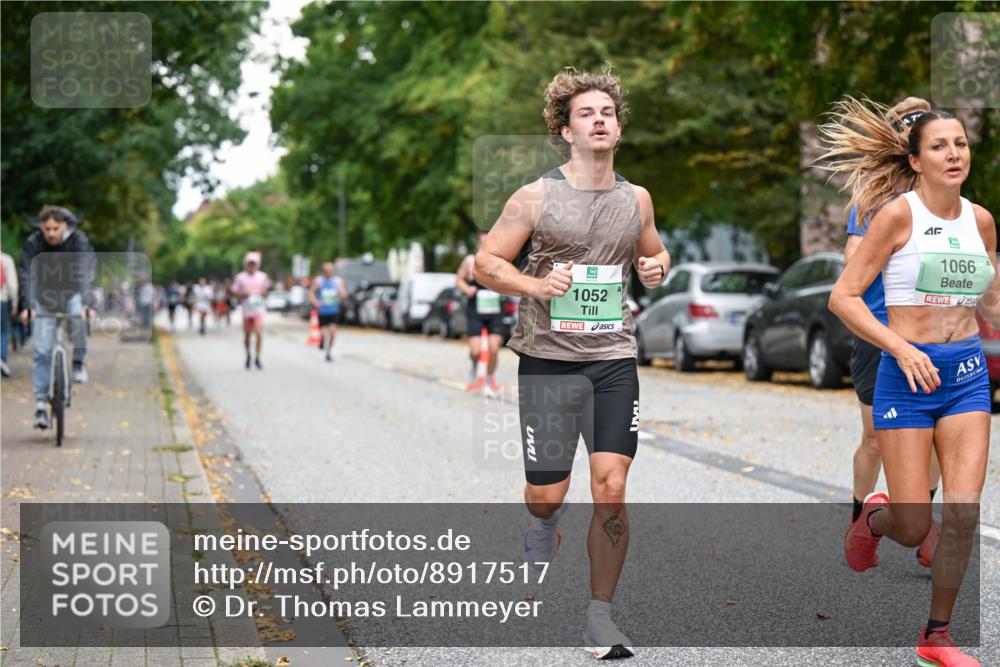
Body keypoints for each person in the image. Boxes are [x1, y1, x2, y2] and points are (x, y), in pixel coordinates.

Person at [474, 69, 669, 660]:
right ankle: (541, 521)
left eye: (608, 111)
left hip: (612, 358)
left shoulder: (636, 199)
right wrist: (536, 284)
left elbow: (653, 251)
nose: (601, 119)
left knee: (611, 486)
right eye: (587, 113)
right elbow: (486, 262)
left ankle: (600, 617)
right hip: (549, 361)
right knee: (546, 493)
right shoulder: (535, 197)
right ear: (565, 129)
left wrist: (657, 267)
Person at [826, 99, 998, 666]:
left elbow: (989, 302)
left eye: (961, 144)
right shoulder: (896, 215)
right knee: (911, 524)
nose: (954, 154)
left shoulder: (980, 221)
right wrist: (898, 346)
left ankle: (937, 636)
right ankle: (875, 520)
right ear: (915, 159)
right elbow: (843, 297)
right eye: (939, 146)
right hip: (907, 375)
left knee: (963, 514)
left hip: (967, 376)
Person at [841, 97, 942, 570]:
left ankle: (921, 521)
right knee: (877, 438)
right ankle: (861, 516)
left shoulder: (948, 199)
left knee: (939, 434)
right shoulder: (872, 202)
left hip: (933, 334)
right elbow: (851, 270)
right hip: (878, 333)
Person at [18, 205, 96, 428]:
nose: (51, 233)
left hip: (72, 293)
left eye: (56, 228)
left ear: (66, 226)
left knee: (79, 317)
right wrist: (28, 306)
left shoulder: (78, 241)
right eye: (47, 228)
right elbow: (27, 275)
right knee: (42, 351)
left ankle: (79, 362)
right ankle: (41, 404)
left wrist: (87, 303)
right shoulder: (34, 243)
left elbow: (86, 271)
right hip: (44, 298)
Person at [457, 232, 505, 391]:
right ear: (478, 244)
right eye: (482, 243)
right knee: (475, 351)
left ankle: (489, 379)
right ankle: (474, 364)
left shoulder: (500, 261)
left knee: (494, 348)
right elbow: (458, 280)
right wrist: (466, 288)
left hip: (494, 310)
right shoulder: (470, 261)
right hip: (475, 310)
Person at [232, 251, 270, 370]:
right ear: (246, 264)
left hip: (258, 308)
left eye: (254, 264)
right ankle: (248, 354)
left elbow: (266, 291)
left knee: (259, 332)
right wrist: (244, 293)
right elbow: (235, 292)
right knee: (248, 335)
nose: (252, 266)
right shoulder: (240, 277)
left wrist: (261, 292)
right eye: (250, 264)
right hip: (247, 309)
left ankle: (257, 357)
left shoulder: (262, 276)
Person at [309, 262, 348, 362]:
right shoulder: (319, 281)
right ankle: (322, 340)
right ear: (324, 271)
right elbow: (311, 293)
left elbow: (344, 295)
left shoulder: (338, 281)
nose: (329, 272)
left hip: (333, 310)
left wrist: (341, 292)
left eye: (330, 270)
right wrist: (316, 302)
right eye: (327, 270)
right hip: (322, 311)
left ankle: (328, 352)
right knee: (323, 332)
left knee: (333, 332)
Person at [1, 246, 18, 378]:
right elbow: (12, 284)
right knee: (3, 332)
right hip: (2, 300)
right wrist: (15, 302)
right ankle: (2, 360)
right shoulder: (6, 260)